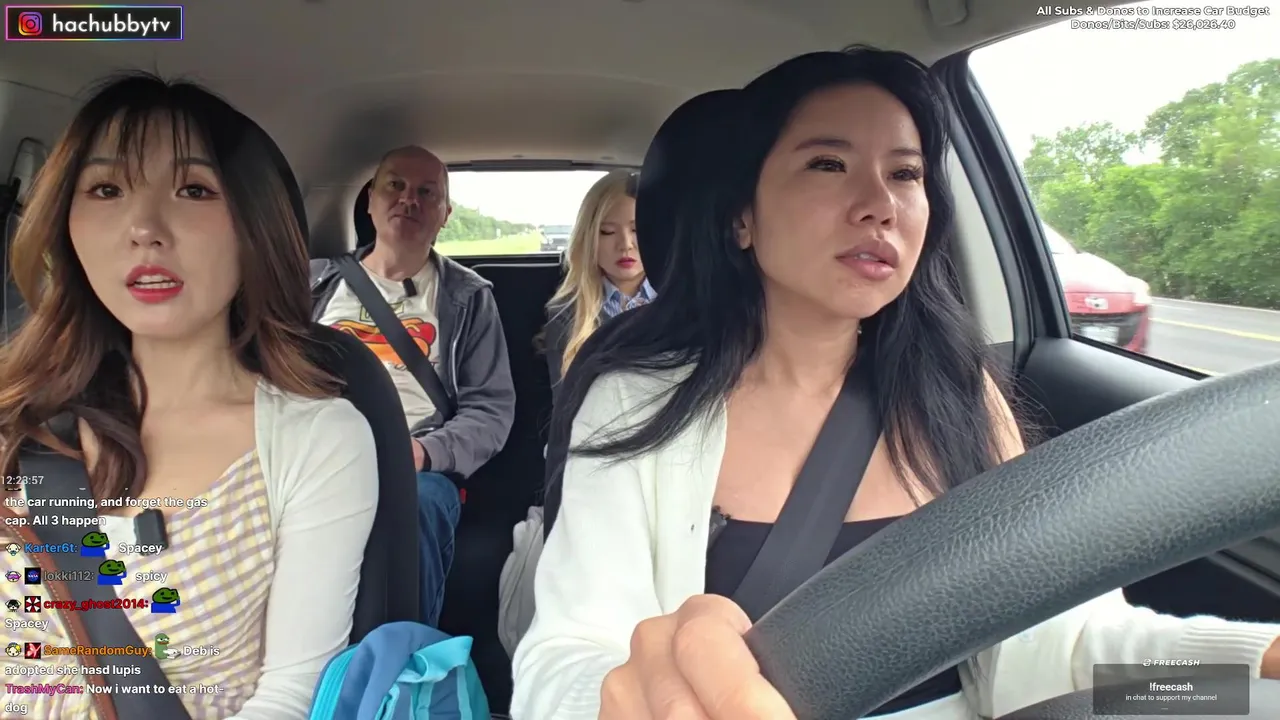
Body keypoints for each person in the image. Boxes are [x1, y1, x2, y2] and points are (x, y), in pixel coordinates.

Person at [510, 47, 1280, 720]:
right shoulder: (636, 398)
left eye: (905, 174)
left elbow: (1070, 650)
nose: (879, 204)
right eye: (828, 164)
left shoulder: (960, 395)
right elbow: (570, 659)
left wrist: (1254, 671)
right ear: (743, 215)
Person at [0, 73, 378, 719]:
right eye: (107, 189)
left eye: (194, 190)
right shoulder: (18, 412)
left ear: (255, 225)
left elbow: (289, 698)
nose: (144, 228)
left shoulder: (315, 439)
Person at [309, 145, 515, 626]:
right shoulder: (312, 284)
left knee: (417, 505)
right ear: (369, 200)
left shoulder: (468, 297)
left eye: (427, 192)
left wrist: (422, 453)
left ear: (445, 214)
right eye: (395, 186)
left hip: (415, 463)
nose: (409, 200)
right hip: (313, 453)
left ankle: (399, 653)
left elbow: (491, 411)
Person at [541, 170, 653, 393]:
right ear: (588, 238)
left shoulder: (686, 301)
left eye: (637, 229)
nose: (625, 244)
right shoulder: (567, 314)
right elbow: (565, 403)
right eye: (607, 231)